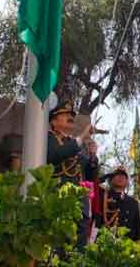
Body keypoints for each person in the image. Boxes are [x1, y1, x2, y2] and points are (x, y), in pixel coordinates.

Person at [46, 101, 98, 248]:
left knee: (78, 250)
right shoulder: (47, 138)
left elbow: (89, 176)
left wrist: (93, 157)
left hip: (79, 205)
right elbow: (55, 155)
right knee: (59, 248)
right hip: (59, 200)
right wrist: (80, 138)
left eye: (71, 115)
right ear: (54, 121)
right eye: (65, 114)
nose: (70, 117)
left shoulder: (73, 143)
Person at [96, 166, 140, 241]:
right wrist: (106, 176)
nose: (121, 177)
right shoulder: (102, 195)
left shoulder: (133, 202)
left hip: (126, 243)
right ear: (110, 179)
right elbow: (93, 183)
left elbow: (138, 228)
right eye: (117, 174)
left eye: (124, 175)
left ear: (127, 181)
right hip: (105, 241)